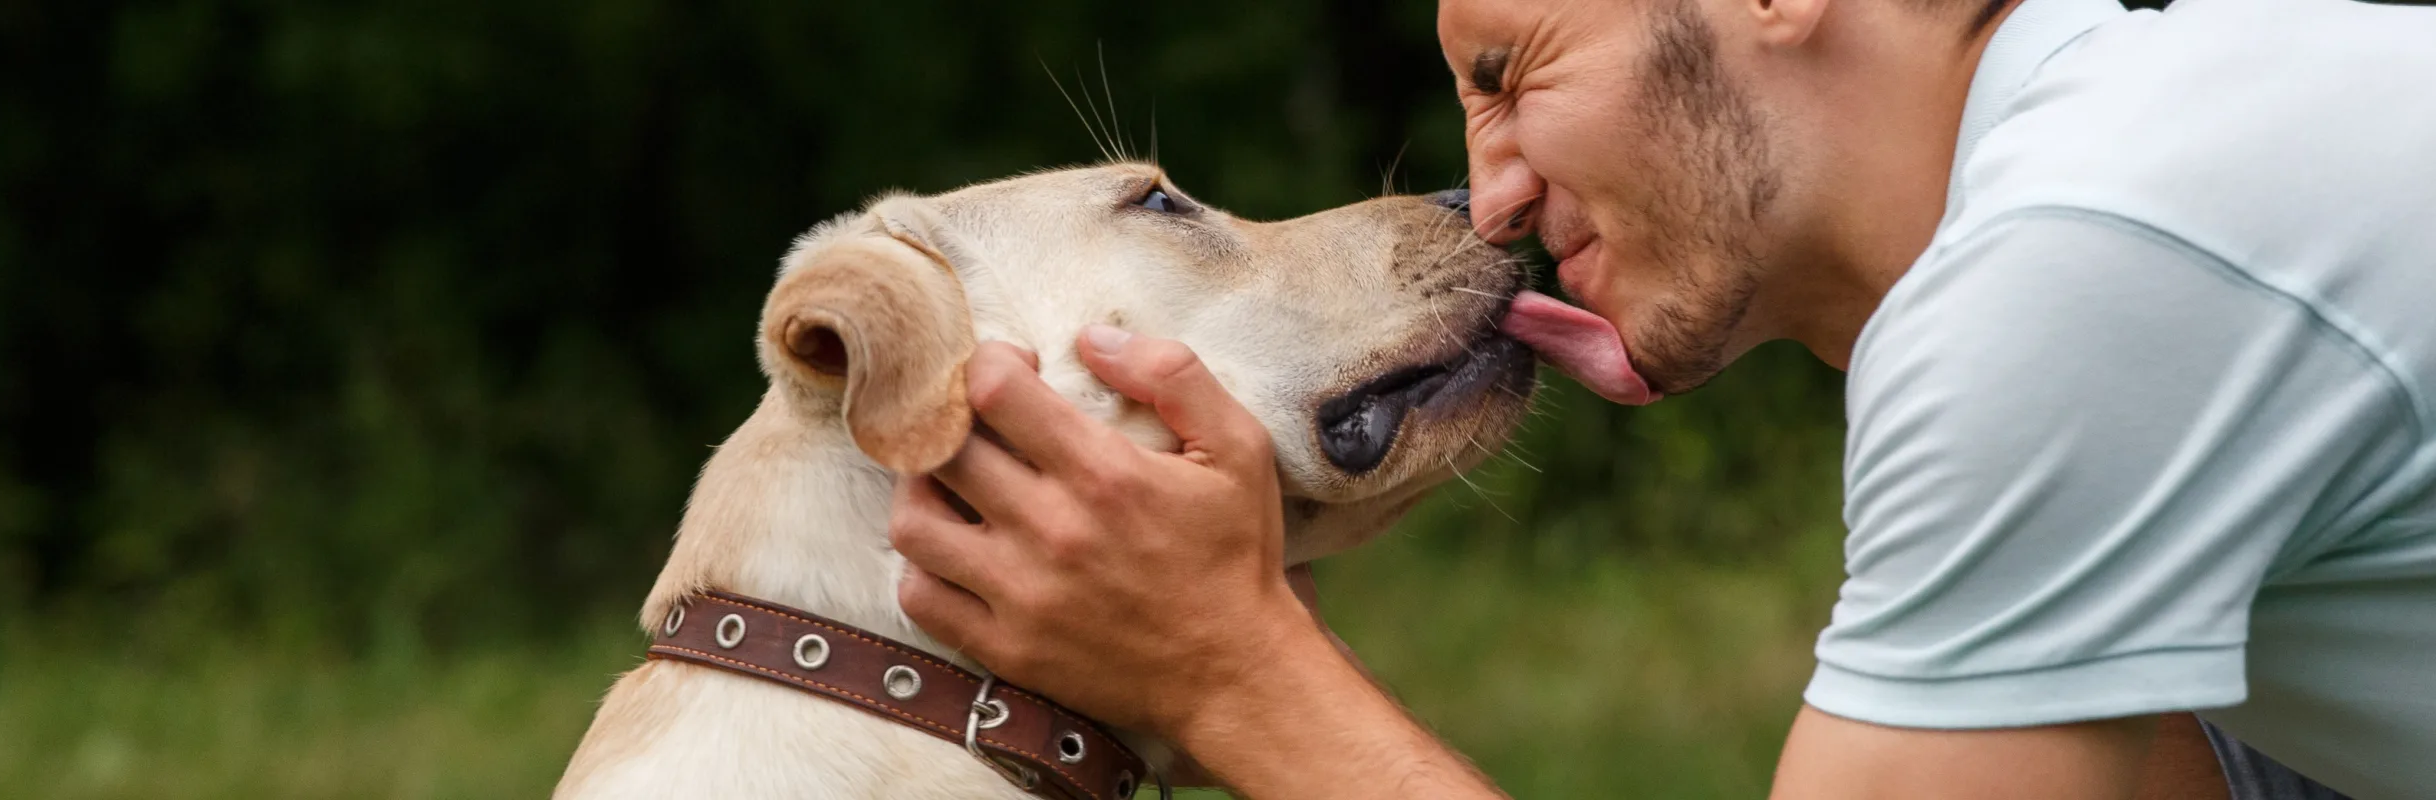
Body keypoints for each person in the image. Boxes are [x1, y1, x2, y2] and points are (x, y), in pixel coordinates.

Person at [886, 0, 2436, 795]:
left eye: (1510, 71)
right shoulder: (2169, 127)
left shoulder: (2077, 271)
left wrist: (1230, 675)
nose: (1486, 201)